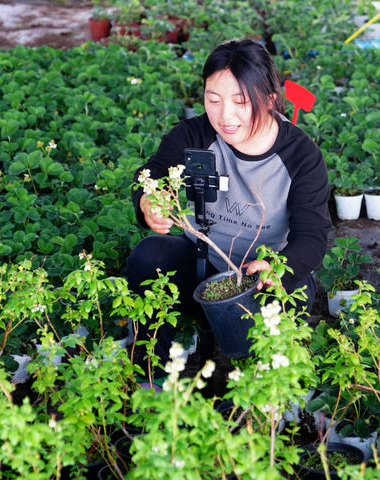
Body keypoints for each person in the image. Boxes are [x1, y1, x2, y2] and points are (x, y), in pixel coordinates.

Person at [127, 39, 331, 378]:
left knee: (293, 293)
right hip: (202, 267)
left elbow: (312, 236)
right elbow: (154, 171)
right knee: (150, 256)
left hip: (260, 279)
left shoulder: (301, 156)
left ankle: (263, 387)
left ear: (269, 99)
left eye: (241, 101)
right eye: (213, 99)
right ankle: (152, 374)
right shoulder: (195, 135)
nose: (225, 115)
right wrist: (149, 199)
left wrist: (278, 267)